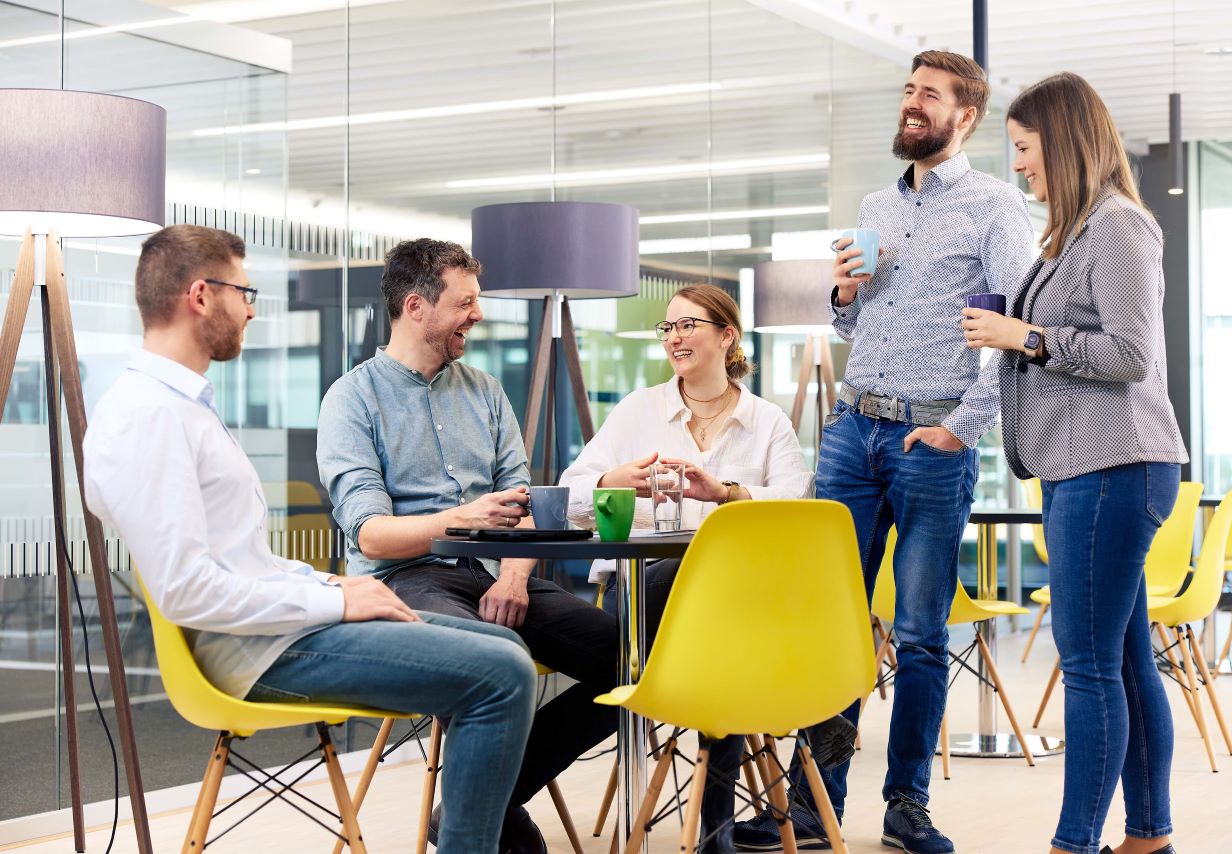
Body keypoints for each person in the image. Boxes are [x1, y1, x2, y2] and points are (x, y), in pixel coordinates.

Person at [83, 225, 535, 854]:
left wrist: (332, 583)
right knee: (503, 673)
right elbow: (189, 591)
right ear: (199, 295)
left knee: (501, 651)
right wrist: (338, 602)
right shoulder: (149, 416)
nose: (250, 307)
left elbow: (243, 563)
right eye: (244, 291)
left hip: (281, 625)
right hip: (257, 651)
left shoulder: (180, 407)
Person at [735, 50, 1037, 854]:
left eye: (928, 95)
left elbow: (1010, 336)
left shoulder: (995, 208)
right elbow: (852, 326)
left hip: (929, 440)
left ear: (964, 116)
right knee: (829, 620)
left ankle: (907, 804)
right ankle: (813, 804)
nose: (911, 104)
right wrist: (841, 293)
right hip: (850, 430)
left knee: (922, 632)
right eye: (907, 91)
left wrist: (958, 428)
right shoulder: (875, 204)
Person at [316, 237, 618, 854]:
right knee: (488, 656)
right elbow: (370, 532)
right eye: (466, 303)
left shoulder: (484, 390)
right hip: (407, 576)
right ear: (416, 307)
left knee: (631, 661)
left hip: (498, 571)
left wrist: (512, 578)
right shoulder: (352, 399)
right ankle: (492, 821)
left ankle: (484, 800)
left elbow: (525, 505)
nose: (477, 315)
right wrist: (458, 519)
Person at [961, 72, 1187, 854]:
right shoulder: (1075, 232)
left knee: (1088, 665)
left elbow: (1129, 354)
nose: (1020, 166)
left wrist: (1022, 336)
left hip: (1111, 462)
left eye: (1025, 149)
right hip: (1082, 465)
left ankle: (1075, 843)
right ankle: (1148, 834)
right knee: (1122, 661)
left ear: (1062, 142)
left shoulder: (1119, 226)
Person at [559, 283, 814, 853]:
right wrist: (617, 478)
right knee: (711, 614)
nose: (675, 338)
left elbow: (799, 509)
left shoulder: (767, 421)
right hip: (645, 593)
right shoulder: (637, 411)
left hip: (736, 602)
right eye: (668, 328)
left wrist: (725, 493)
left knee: (717, 619)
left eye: (688, 325)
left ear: (727, 336)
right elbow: (572, 492)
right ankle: (716, 829)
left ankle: (715, 824)